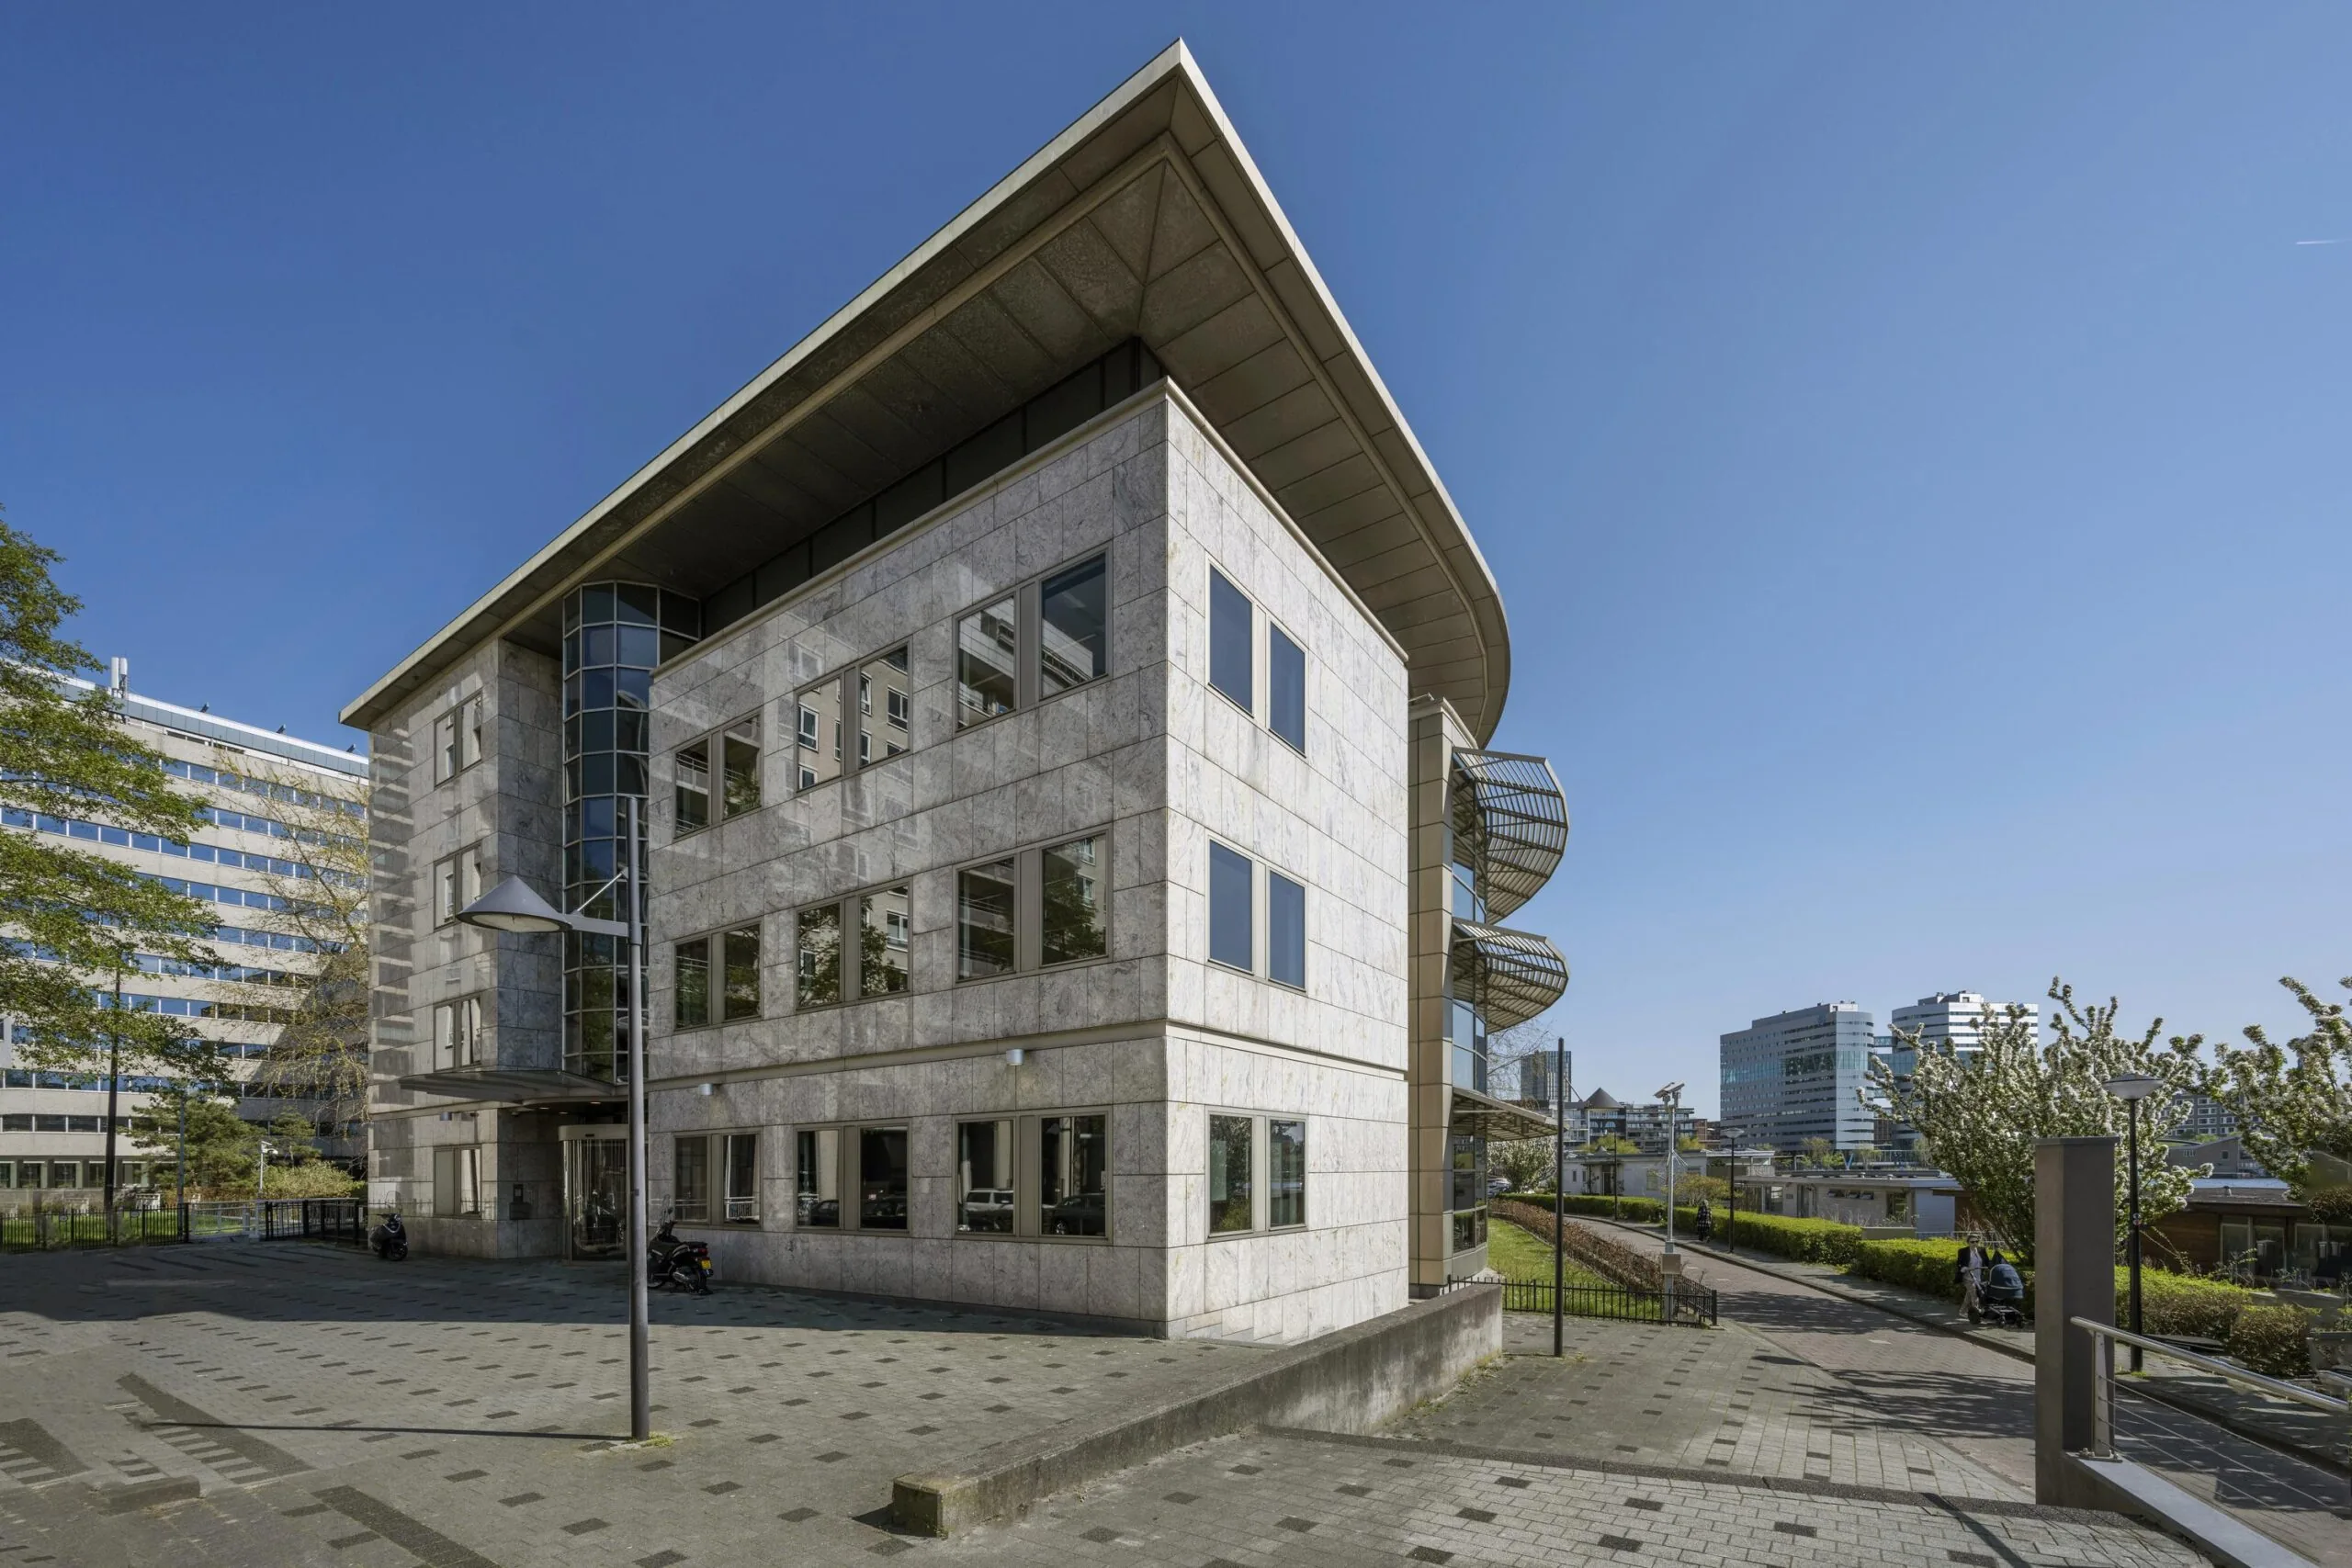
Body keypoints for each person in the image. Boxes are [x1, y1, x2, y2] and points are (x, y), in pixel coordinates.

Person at [1954, 1235, 1989, 1324]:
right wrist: (1965, 1268)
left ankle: (1962, 1311)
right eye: (1972, 1242)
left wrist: (1989, 1267)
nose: (1975, 1244)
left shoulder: (1981, 1250)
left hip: (1978, 1276)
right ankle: (1976, 1315)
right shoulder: (1963, 1251)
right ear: (1968, 1243)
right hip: (1967, 1276)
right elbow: (1959, 1263)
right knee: (1974, 1294)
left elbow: (1987, 1261)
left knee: (1969, 1295)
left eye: (1976, 1242)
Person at [1983, 1250, 2025, 1315]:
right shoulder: (2009, 1269)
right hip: (2015, 1290)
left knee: (1983, 1287)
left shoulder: (1996, 1270)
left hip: (1998, 1291)